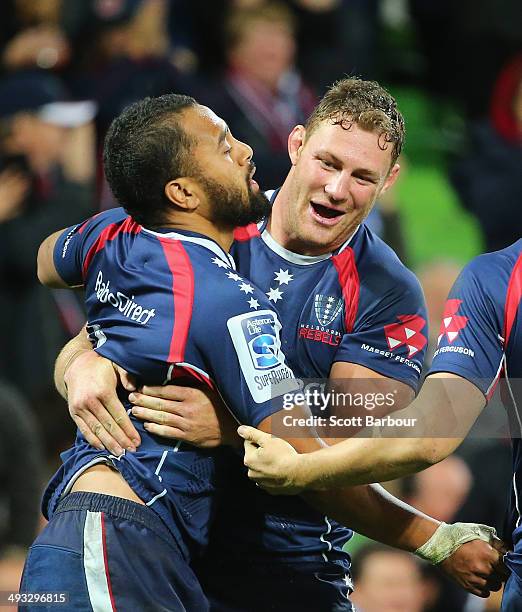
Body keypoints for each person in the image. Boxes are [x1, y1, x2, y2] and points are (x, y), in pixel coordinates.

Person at [56, 78, 505, 609]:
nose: (339, 189)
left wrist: (230, 427)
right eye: (328, 162)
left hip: (291, 570)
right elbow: (104, 333)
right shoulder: (209, 224)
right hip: (170, 547)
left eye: (363, 176)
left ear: (389, 182)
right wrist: (81, 366)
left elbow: (348, 450)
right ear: (296, 144)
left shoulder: (387, 291)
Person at [22, 92, 298, 610]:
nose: (246, 152)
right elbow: (297, 442)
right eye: (223, 146)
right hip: (115, 543)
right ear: (183, 192)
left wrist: (98, 342)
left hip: (119, 542)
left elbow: (46, 261)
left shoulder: (112, 231)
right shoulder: (228, 301)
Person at [238, 237, 522, 609]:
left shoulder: (498, 278)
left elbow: (429, 433)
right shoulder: (498, 281)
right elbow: (427, 432)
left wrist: (298, 468)